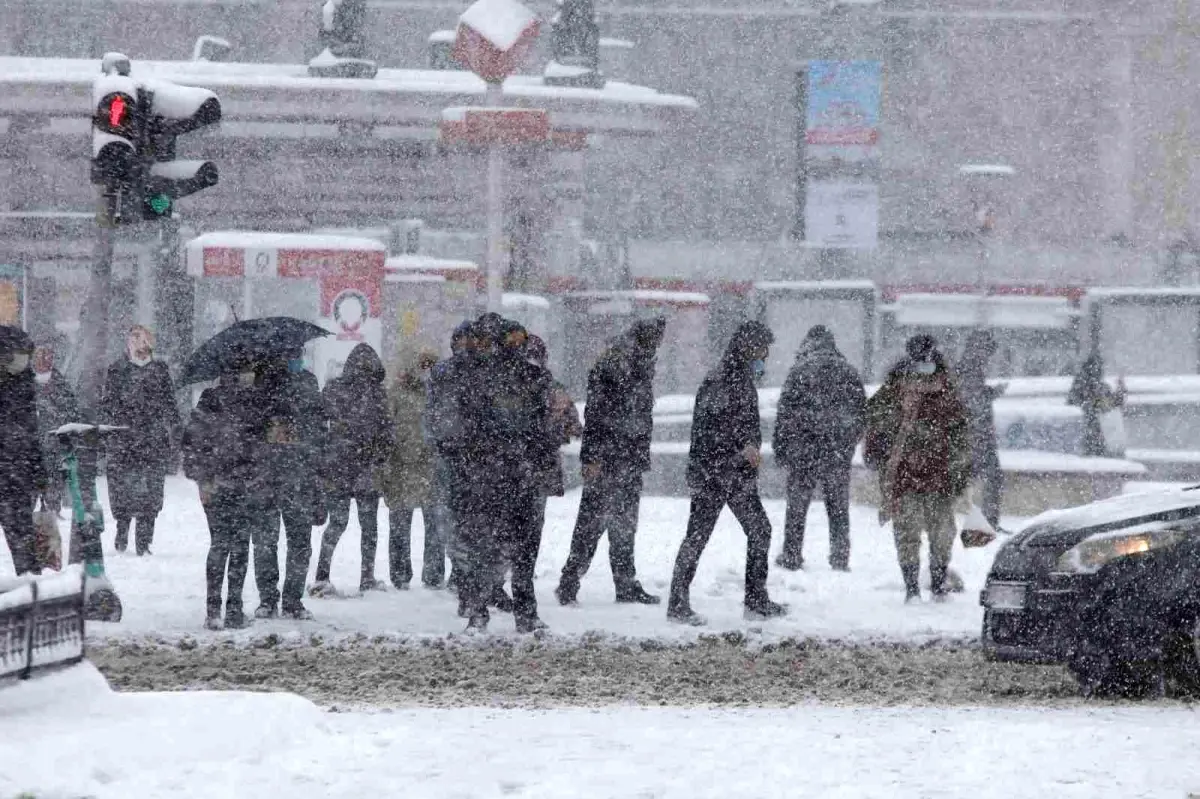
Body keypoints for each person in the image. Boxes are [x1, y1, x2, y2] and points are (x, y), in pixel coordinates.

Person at [440, 314, 553, 633]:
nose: (516, 347)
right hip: (491, 476)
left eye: (521, 340)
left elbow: (543, 428)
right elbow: (463, 428)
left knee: (522, 549)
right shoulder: (478, 379)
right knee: (486, 547)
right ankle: (482, 610)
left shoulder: (532, 379)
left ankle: (520, 612)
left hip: (515, 475)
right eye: (511, 340)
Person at [668, 321, 785, 626]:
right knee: (700, 536)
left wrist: (748, 448)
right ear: (748, 347)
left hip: (733, 474)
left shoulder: (740, 379)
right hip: (716, 475)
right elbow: (710, 432)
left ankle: (755, 599)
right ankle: (679, 603)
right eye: (763, 349)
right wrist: (741, 447)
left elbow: (737, 424)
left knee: (756, 530)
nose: (766, 356)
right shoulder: (723, 380)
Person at [556, 317, 666, 606]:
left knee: (624, 525)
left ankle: (625, 583)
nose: (657, 346)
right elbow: (596, 414)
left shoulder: (639, 363)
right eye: (655, 340)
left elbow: (639, 415)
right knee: (592, 524)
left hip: (627, 457)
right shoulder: (613, 365)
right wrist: (592, 457)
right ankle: (569, 582)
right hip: (609, 458)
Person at [864, 335, 971, 603]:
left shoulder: (946, 390)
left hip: (937, 475)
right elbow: (875, 423)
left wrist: (959, 470)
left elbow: (961, 434)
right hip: (909, 476)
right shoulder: (895, 389)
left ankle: (934, 585)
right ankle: (913, 588)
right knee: (911, 533)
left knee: (939, 535)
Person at [772, 325, 866, 572]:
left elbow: (785, 413)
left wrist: (782, 447)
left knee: (797, 506)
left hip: (803, 451)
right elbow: (861, 414)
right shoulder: (849, 372)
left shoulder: (799, 371)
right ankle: (840, 557)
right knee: (838, 507)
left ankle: (792, 554)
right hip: (836, 452)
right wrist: (846, 444)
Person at [183, 365, 265, 630]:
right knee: (240, 546)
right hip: (243, 484)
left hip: (214, 485)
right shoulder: (253, 402)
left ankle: (212, 610)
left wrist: (202, 480)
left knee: (219, 544)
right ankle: (234, 608)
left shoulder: (209, 400)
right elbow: (261, 448)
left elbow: (191, 442)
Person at [252, 350, 328, 620]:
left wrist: (302, 435)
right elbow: (251, 427)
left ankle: (291, 599)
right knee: (265, 542)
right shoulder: (261, 383)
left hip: (298, 474)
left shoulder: (307, 382)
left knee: (297, 542)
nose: (296, 358)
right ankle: (269, 599)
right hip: (269, 475)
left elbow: (319, 427)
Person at [312, 343, 393, 595]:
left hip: (340, 467)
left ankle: (322, 576)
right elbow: (386, 432)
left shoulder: (334, 390)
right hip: (363, 468)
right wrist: (379, 456)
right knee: (367, 527)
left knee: (339, 524)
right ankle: (365, 576)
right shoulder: (377, 394)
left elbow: (317, 422)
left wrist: (328, 448)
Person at [101, 325, 181, 556]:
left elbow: (170, 405)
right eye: (134, 340)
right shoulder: (117, 370)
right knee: (122, 489)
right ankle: (122, 529)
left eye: (143, 341)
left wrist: (174, 432)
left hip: (152, 440)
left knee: (152, 491)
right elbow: (108, 404)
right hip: (123, 440)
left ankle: (144, 540)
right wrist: (112, 430)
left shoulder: (159, 370)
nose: (139, 345)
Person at [377, 347, 439, 590]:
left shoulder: (437, 395)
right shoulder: (396, 395)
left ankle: (433, 575)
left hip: (430, 470)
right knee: (401, 527)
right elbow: (386, 429)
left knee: (434, 526)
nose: (427, 371)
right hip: (402, 469)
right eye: (423, 366)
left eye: (430, 366)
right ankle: (401, 575)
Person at [0, 327, 47, 575]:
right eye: (20, 355)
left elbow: (31, 433)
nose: (25, 360)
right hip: (11, 467)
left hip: (17, 472)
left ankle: (30, 581)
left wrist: (39, 471)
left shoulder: (23, 384)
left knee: (21, 533)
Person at [956, 330, 1006, 529]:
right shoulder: (969, 368)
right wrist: (991, 394)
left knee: (989, 478)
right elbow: (971, 400)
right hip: (975, 436)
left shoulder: (968, 367)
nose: (988, 358)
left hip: (975, 435)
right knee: (993, 477)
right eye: (987, 352)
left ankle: (987, 522)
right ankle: (988, 522)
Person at [31, 341, 80, 514]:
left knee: (53, 483)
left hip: (54, 445)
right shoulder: (24, 384)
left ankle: (52, 510)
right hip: (29, 447)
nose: (44, 360)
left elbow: (71, 412)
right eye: (40, 357)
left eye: (47, 357)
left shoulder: (61, 385)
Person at [1067, 352, 1126, 457]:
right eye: (1099, 368)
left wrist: (1119, 392)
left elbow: (1110, 403)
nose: (1101, 371)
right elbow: (1090, 403)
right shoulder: (1082, 384)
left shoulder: (1099, 386)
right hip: (1085, 431)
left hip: (1095, 432)